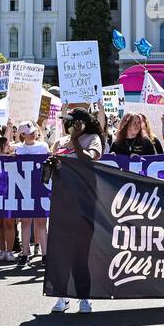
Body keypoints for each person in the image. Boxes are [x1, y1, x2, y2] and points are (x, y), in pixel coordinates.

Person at [51, 107, 105, 314]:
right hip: (62, 202)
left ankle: (84, 297)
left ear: (81, 123)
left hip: (83, 202)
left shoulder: (92, 139)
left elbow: (89, 160)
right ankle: (61, 297)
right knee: (61, 252)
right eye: (68, 121)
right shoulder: (61, 141)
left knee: (80, 254)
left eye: (72, 121)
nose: (69, 124)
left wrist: (74, 140)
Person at [14, 122, 50, 264]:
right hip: (24, 189)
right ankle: (25, 253)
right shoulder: (18, 149)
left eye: (34, 131)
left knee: (41, 223)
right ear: (22, 135)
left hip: (41, 187)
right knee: (25, 222)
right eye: (29, 132)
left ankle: (45, 254)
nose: (33, 134)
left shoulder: (43, 146)